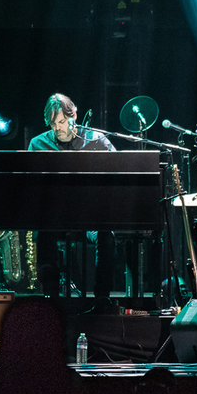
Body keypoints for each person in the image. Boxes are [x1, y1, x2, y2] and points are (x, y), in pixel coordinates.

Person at [28, 93, 117, 301]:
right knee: (43, 231)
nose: (57, 128)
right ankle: (50, 295)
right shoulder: (38, 144)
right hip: (55, 219)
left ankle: (102, 297)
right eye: (52, 124)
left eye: (60, 122)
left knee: (107, 235)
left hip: (91, 219)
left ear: (73, 115)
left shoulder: (97, 141)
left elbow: (119, 171)